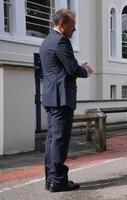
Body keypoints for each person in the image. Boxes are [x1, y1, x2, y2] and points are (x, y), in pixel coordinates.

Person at [39, 9, 93, 192]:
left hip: (50, 96)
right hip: (61, 98)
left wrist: (77, 65)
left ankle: (51, 179)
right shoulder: (61, 41)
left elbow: (61, 66)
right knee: (60, 140)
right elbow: (71, 69)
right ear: (62, 24)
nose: (75, 29)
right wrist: (85, 71)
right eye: (72, 25)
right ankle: (59, 181)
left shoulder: (47, 41)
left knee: (52, 140)